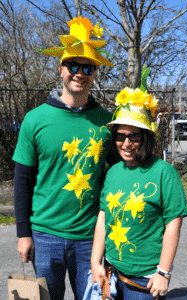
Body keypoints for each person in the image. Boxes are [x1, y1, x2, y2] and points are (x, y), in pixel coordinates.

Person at [13, 17, 114, 300]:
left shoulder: (107, 122)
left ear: (94, 72)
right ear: (60, 69)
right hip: (45, 237)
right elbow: (22, 181)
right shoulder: (35, 120)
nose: (79, 73)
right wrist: (23, 234)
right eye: (73, 65)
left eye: (88, 67)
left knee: (95, 298)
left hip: (90, 238)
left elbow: (121, 172)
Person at [90, 67, 187, 299]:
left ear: (145, 137)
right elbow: (103, 219)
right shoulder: (113, 172)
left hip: (146, 279)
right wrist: (96, 262)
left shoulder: (163, 172)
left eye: (134, 136)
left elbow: (173, 224)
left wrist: (163, 272)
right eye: (120, 136)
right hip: (111, 272)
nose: (126, 143)